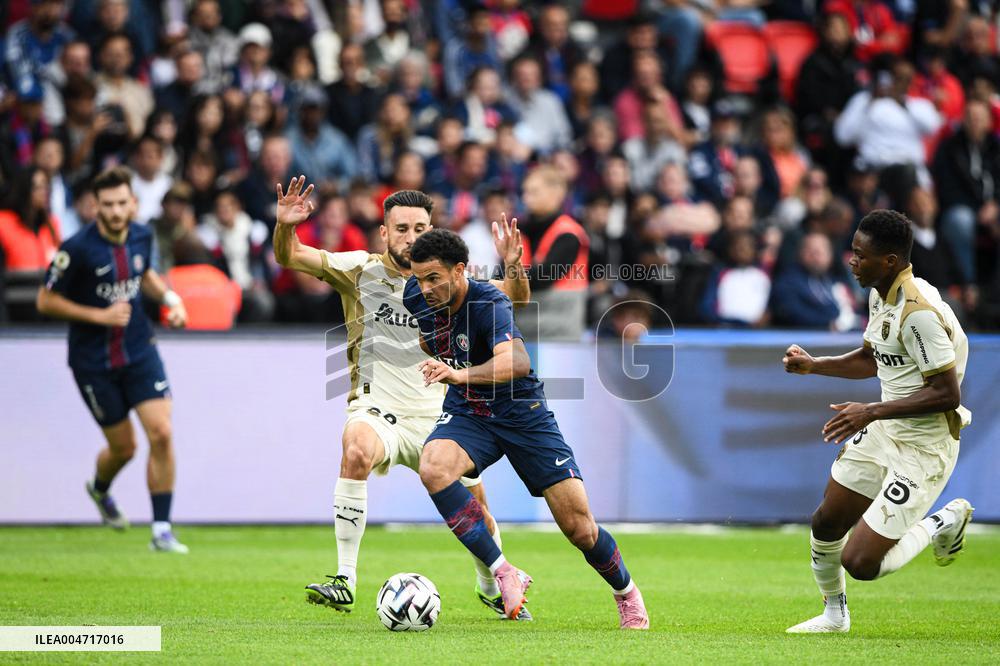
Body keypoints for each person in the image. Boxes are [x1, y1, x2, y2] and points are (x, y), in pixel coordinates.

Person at [272, 179, 532, 618]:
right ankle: (344, 578)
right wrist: (284, 228)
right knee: (355, 448)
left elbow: (517, 299)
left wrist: (513, 265)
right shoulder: (358, 269)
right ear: (384, 234)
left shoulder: (451, 281)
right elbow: (289, 255)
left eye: (420, 228)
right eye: (402, 228)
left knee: (480, 513)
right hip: (380, 409)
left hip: (444, 413)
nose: (411, 237)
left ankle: (490, 585)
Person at [402, 228, 649, 629]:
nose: (424, 288)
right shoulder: (417, 297)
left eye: (433, 278)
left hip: (522, 412)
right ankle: (503, 572)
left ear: (460, 271)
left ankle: (627, 594)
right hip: (470, 412)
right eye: (418, 277)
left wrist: (457, 371)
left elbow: (517, 361)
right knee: (433, 466)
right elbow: (429, 338)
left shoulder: (488, 302)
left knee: (578, 527)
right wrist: (442, 356)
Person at [783, 209, 974, 634]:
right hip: (887, 430)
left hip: (925, 448)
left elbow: (947, 393)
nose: (851, 261)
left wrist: (869, 411)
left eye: (859, 254)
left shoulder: (918, 313)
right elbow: (873, 358)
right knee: (826, 522)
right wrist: (815, 366)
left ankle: (944, 520)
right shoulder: (879, 293)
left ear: (889, 260)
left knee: (861, 563)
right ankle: (834, 615)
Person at [35, 166, 190, 553]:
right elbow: (45, 300)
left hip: (139, 349)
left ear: (133, 203)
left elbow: (145, 275)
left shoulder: (142, 235)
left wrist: (171, 299)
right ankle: (100, 489)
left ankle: (161, 530)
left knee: (162, 433)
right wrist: (99, 316)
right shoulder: (76, 249)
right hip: (93, 361)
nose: (116, 211)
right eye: (108, 204)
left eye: (122, 203)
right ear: (95, 207)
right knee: (125, 448)